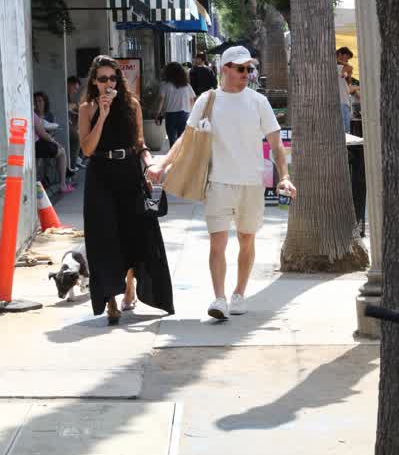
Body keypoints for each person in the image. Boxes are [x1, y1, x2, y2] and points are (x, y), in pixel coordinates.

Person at [148, 46, 296, 320]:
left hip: (251, 183)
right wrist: (162, 164)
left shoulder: (258, 101)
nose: (246, 73)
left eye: (249, 69)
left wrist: (284, 177)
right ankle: (219, 298)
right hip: (217, 182)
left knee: (246, 239)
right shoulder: (207, 100)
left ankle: (239, 293)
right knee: (218, 242)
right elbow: (186, 139)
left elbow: (276, 145)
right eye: (240, 68)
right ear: (225, 69)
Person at [79, 54, 174, 325]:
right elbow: (87, 149)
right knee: (104, 236)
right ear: (94, 82)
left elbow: (140, 143)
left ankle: (130, 284)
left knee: (133, 232)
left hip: (129, 172)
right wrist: (102, 115)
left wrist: (150, 164)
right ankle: (110, 298)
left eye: (113, 78)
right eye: (102, 79)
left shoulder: (132, 104)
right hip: (100, 175)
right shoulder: (87, 108)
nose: (108, 83)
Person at [155, 62, 196, 148]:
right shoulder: (186, 85)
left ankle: (173, 155)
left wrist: (157, 114)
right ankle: (181, 155)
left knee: (172, 140)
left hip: (170, 114)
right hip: (184, 114)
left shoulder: (164, 85)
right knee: (182, 140)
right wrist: (191, 113)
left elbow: (161, 100)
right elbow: (192, 100)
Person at [34, 112, 74, 194]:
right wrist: (54, 142)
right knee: (62, 151)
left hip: (30, 146)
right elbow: (43, 134)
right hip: (36, 145)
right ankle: (63, 185)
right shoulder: (32, 115)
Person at [336, 47, 354, 133]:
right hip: (342, 101)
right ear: (340, 54)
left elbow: (349, 82)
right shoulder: (339, 67)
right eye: (346, 58)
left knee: (346, 130)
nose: (347, 60)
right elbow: (350, 67)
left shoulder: (342, 67)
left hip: (344, 101)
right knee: (345, 131)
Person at [67, 76, 83, 170]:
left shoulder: (71, 97)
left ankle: (78, 159)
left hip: (71, 123)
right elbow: (66, 109)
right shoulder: (62, 93)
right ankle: (72, 166)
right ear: (69, 84)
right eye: (75, 88)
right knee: (76, 137)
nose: (75, 91)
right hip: (63, 123)